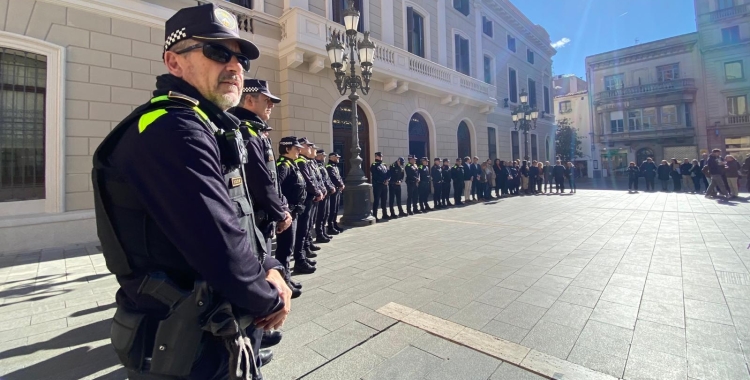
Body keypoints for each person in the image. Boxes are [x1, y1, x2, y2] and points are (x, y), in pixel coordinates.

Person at [91, 4, 290, 379]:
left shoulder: (206, 124)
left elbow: (236, 217)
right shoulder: (172, 128)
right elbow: (216, 242)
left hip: (213, 331)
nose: (234, 66)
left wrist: (269, 266)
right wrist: (269, 298)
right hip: (185, 345)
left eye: (240, 57)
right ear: (174, 62)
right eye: (217, 52)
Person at [275, 137, 307, 298]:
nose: (299, 151)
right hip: (288, 213)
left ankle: (287, 277)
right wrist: (284, 210)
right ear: (287, 149)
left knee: (288, 246)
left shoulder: (291, 164)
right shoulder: (283, 166)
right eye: (296, 148)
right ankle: (283, 281)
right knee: (285, 248)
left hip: (293, 211)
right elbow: (276, 189)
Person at [294, 137, 322, 273]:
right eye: (308, 146)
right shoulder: (300, 161)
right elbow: (308, 181)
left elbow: (315, 179)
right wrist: (317, 192)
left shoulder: (307, 161)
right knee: (302, 228)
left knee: (307, 226)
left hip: (311, 198)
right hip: (305, 199)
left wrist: (319, 191)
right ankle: (300, 257)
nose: (311, 149)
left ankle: (304, 253)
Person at [314, 149, 336, 240]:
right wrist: (327, 188)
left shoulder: (322, 166)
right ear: (318, 156)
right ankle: (319, 234)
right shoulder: (316, 166)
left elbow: (327, 179)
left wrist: (331, 187)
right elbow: (321, 180)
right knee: (321, 215)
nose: (324, 157)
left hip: (326, 193)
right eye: (323, 156)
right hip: (322, 194)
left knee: (325, 214)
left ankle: (323, 232)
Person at [325, 153, 345, 234]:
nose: (338, 159)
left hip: (337, 190)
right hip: (332, 191)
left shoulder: (335, 166)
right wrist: (340, 184)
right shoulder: (329, 167)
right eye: (337, 157)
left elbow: (339, 177)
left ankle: (334, 224)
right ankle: (330, 227)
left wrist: (342, 184)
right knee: (332, 209)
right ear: (332, 158)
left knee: (336, 209)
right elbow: (333, 178)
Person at [371, 152, 390, 221]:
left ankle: (384, 214)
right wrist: (383, 181)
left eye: (381, 156)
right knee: (376, 200)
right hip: (377, 185)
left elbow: (388, 173)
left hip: (384, 185)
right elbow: (375, 175)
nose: (381, 157)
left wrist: (387, 180)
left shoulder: (383, 165)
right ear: (376, 156)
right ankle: (375, 215)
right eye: (379, 156)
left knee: (384, 200)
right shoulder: (374, 165)